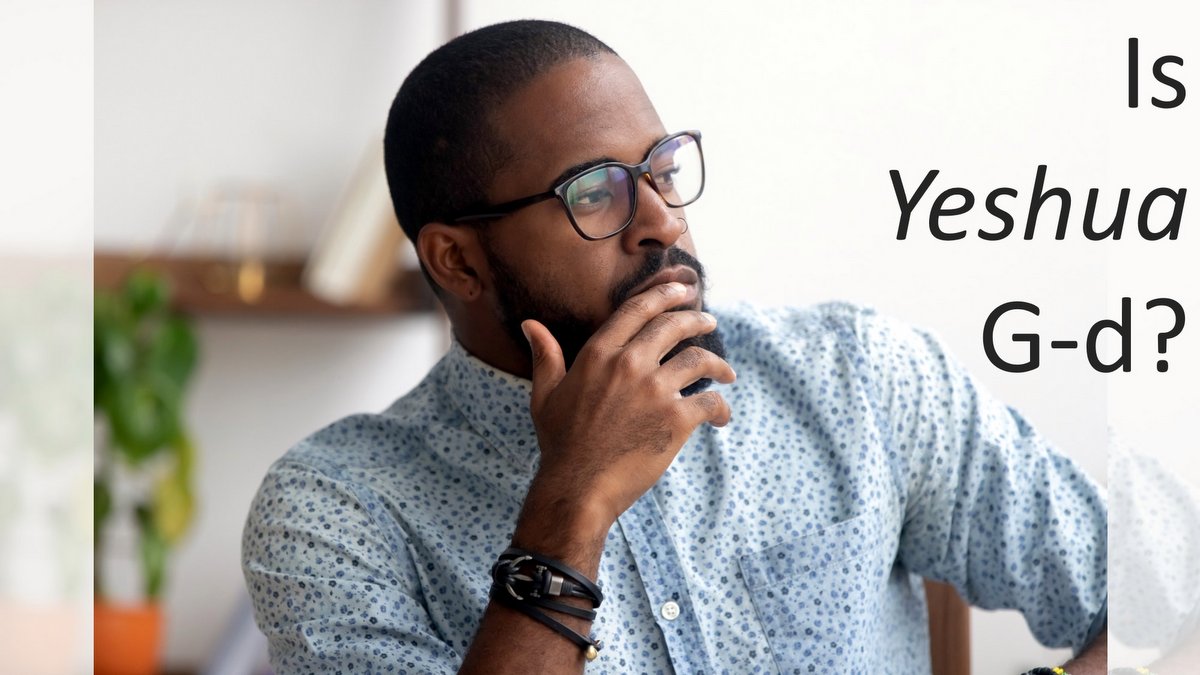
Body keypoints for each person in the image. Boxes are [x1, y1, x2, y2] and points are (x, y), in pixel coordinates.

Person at [241, 19, 1107, 674]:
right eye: (596, 192)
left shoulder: (857, 377)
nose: (661, 219)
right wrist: (570, 504)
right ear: (458, 260)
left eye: (660, 167)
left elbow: (1152, 592)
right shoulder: (336, 510)